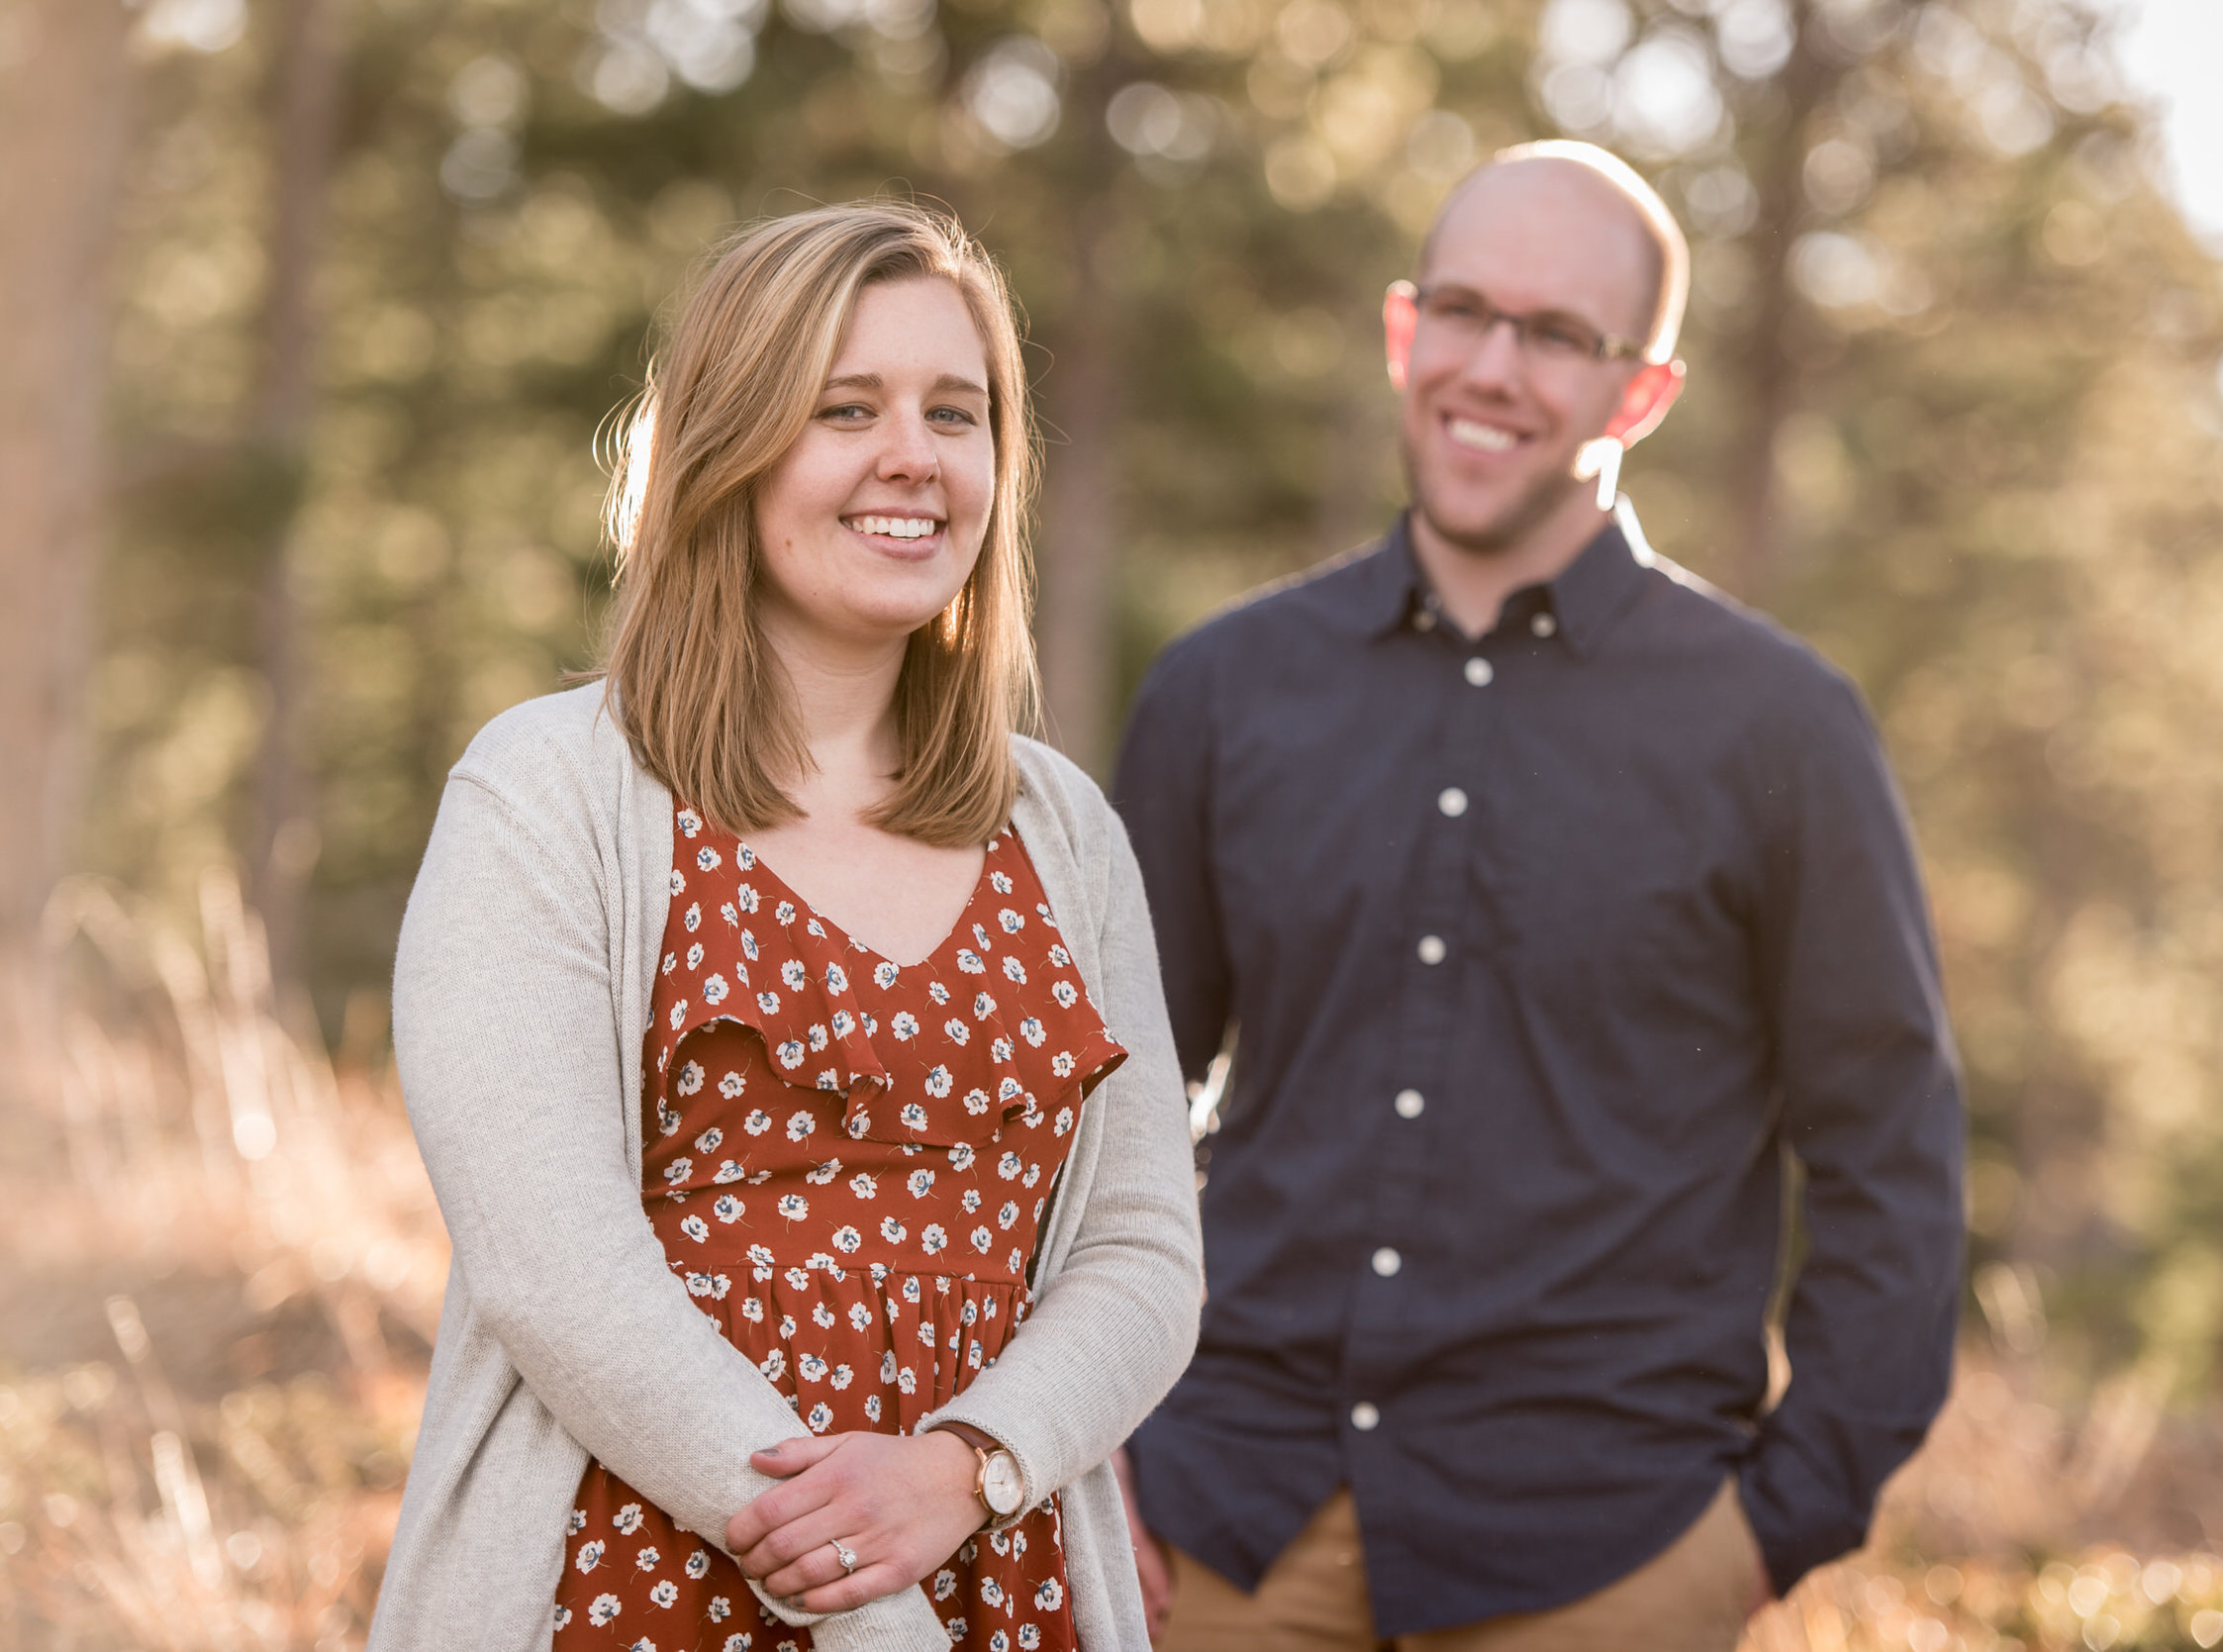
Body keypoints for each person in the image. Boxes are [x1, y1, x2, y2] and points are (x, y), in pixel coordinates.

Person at [1110, 142, 1966, 1651]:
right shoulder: (1222, 692)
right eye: (1464, 311)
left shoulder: (1781, 731)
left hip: (1605, 1549)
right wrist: (1083, 1436)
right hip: (1215, 1517)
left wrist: (1775, 1526)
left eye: (1559, 335)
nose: (1493, 367)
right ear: (1403, 331)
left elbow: (1891, 1156)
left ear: (1642, 391)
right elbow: (1095, 1102)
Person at [370, 202, 1202, 1652]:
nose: (914, 456)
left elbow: (1143, 1252)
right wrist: (864, 1590)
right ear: (729, 445)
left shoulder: (1062, 832)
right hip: (642, 1577)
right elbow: (555, 1268)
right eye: (845, 408)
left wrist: (965, 1469)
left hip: (993, 1572)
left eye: (958, 411)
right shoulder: (551, 792)